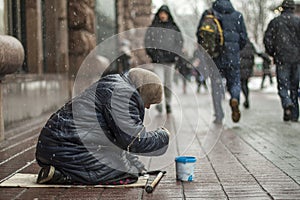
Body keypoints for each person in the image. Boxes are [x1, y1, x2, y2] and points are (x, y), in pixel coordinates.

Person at [35, 68, 170, 185]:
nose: (147, 107)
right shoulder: (123, 95)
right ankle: (63, 176)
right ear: (144, 92)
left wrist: (136, 164)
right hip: (67, 148)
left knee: (128, 166)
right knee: (125, 172)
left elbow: (119, 139)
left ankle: (60, 169)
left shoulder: (116, 85)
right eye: (149, 102)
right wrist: (163, 136)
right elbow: (134, 140)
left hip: (56, 146)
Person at [196, 0, 248, 124]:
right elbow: (243, 38)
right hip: (232, 56)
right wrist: (235, 49)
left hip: (215, 57)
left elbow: (200, 35)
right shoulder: (237, 16)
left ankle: (219, 115)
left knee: (216, 85)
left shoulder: (209, 13)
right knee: (235, 81)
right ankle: (235, 99)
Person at [264, 0, 300, 122]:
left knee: (283, 85)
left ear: (282, 8)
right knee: (294, 87)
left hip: (282, 59)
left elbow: (267, 39)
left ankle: (286, 103)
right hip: (297, 59)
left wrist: (273, 53)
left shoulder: (275, 22)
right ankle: (294, 114)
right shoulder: (298, 21)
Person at [144, 5, 183, 114]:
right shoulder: (153, 28)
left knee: (168, 84)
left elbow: (179, 42)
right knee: (159, 83)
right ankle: (159, 103)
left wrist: (175, 54)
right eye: (161, 13)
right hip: (158, 61)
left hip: (170, 61)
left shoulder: (174, 28)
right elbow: (147, 43)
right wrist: (153, 54)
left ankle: (168, 103)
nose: (162, 15)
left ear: (168, 14)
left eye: (164, 13)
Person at [240, 39, 256, 109]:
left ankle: (245, 98)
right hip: (248, 67)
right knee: (245, 83)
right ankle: (246, 98)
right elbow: (254, 54)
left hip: (241, 66)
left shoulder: (239, 43)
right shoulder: (250, 44)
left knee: (242, 84)